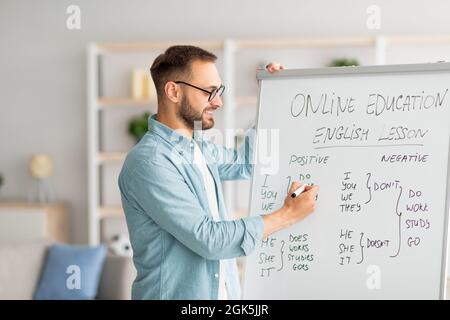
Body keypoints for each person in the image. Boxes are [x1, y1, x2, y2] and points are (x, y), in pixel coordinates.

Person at [118, 45, 319, 300]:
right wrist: (287, 215)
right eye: (209, 92)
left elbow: (246, 165)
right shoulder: (150, 162)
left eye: (219, 91)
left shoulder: (197, 147)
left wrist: (272, 97)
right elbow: (209, 240)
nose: (218, 102)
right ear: (173, 91)